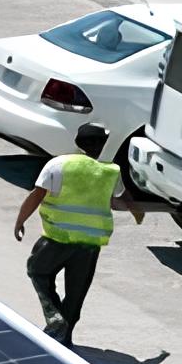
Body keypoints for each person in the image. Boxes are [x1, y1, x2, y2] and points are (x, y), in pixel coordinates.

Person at [13, 122, 149, 347]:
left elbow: (37, 195)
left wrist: (20, 220)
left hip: (58, 238)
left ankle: (55, 318)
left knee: (37, 271)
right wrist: (138, 214)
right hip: (89, 244)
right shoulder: (108, 172)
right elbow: (125, 200)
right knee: (76, 292)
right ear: (102, 145)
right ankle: (64, 336)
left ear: (78, 142)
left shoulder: (58, 164)